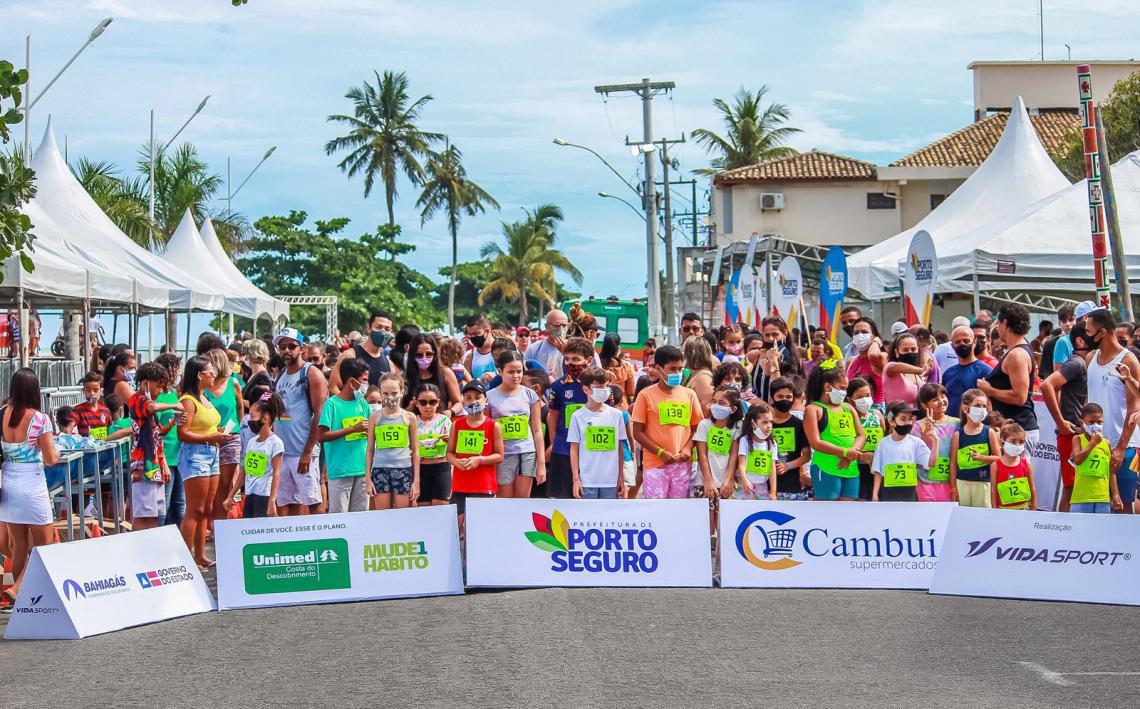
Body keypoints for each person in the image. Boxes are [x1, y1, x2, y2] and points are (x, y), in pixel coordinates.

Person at [0, 368, 60, 606]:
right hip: (32, 483)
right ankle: (18, 589)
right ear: (34, 390)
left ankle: (21, 600)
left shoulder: (2, 413)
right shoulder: (40, 418)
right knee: (44, 544)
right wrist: (56, 450)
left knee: (19, 545)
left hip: (9, 481)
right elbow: (50, 458)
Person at [1084, 309, 1140, 514]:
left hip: (1123, 447)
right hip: (1096, 445)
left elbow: (1134, 406)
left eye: (1089, 331)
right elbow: (1088, 400)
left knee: (1123, 507)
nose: (1085, 336)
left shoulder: (1128, 360)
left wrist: (1121, 448)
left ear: (1104, 332)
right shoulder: (1090, 358)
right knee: (1098, 504)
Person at [630, 345, 703, 499]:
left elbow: (698, 428)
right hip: (655, 465)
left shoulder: (689, 394)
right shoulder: (645, 395)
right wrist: (660, 452)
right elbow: (637, 432)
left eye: (680, 369)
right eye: (672, 369)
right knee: (655, 511)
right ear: (658, 368)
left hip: (683, 464)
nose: (677, 373)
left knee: (678, 512)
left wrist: (688, 448)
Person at [177, 356, 228, 570]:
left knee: (206, 508)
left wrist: (216, 435)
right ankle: (185, 559)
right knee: (195, 510)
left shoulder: (204, 397)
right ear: (199, 375)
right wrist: (211, 437)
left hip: (211, 452)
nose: (214, 375)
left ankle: (199, 555)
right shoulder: (188, 400)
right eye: (210, 372)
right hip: (195, 454)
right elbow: (183, 434)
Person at [273, 328, 329, 516]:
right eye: (282, 347)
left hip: (303, 449)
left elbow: (319, 414)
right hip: (284, 451)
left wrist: (307, 452)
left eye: (291, 346)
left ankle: (319, 539)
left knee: (313, 501)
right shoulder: (280, 375)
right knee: (288, 501)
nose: (287, 350)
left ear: (302, 349)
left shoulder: (311, 373)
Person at [1040, 322, 1090, 511]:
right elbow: (1046, 385)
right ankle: (1063, 534)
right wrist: (1060, 422)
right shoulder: (1076, 362)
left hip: (1081, 433)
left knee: (1078, 487)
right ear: (1080, 340)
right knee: (1071, 487)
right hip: (1072, 433)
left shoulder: (1084, 363)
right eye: (1092, 334)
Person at [128, 363, 183, 531]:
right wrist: (174, 405)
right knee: (144, 514)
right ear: (146, 383)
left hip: (154, 465)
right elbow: (151, 406)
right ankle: (140, 550)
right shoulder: (138, 400)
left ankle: (150, 550)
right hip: (143, 464)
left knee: (154, 515)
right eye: (158, 387)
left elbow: (158, 435)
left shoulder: (149, 407)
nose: (160, 391)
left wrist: (175, 421)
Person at [977, 305, 1038, 454]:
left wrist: (989, 390)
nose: (997, 328)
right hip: (1014, 428)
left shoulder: (1017, 355)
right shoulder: (1017, 350)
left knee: (1016, 476)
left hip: (1018, 429)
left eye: (998, 324)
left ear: (1004, 323)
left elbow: (1020, 396)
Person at [447, 381, 504, 535]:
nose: (473, 401)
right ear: (463, 401)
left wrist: (479, 460)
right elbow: (449, 453)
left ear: (486, 401)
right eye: (469, 397)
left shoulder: (493, 425)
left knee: (478, 530)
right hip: (460, 485)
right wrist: (456, 462)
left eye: (478, 397)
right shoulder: (456, 425)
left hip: (483, 486)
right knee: (455, 528)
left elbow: (500, 455)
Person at [803, 361, 865, 501]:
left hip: (849, 467)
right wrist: (844, 452)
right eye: (841, 388)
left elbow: (861, 435)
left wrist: (851, 453)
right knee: (827, 511)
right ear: (828, 387)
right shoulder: (814, 409)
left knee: (847, 510)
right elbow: (816, 443)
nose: (844, 392)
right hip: (826, 467)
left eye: (846, 388)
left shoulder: (849, 408)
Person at [488, 351, 546, 498]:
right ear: (500, 371)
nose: (516, 376)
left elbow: (537, 430)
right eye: (511, 372)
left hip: (526, 453)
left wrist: (541, 463)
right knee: (505, 503)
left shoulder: (530, 395)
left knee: (522, 503)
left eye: (519, 371)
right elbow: (487, 431)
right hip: (502, 455)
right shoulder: (490, 396)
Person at [317, 358, 372, 514]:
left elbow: (369, 431)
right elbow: (321, 436)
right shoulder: (332, 404)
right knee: (339, 517)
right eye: (364, 380)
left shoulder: (363, 403)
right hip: (340, 471)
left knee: (361, 516)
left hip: (362, 469)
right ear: (351, 381)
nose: (366, 384)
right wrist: (352, 429)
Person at [566, 367, 629, 499]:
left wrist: (621, 477)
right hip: (587, 481)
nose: (604, 390)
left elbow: (620, 447)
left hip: (611, 482)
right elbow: (574, 449)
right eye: (599, 387)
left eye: (606, 386)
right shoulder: (577, 416)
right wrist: (576, 479)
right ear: (586, 389)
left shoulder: (616, 415)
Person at [546, 337, 594, 498]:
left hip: (591, 451)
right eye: (566, 359)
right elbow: (553, 416)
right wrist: (554, 442)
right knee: (561, 498)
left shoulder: (598, 386)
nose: (570, 363)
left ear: (588, 361)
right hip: (563, 450)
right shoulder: (559, 386)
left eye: (575, 359)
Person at [364, 372, 420, 511]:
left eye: (394, 393)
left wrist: (416, 480)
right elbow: (370, 449)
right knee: (383, 516)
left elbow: (415, 450)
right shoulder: (374, 417)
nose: (390, 397)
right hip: (380, 470)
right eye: (386, 393)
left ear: (402, 391)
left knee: (402, 515)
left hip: (403, 469)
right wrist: (368, 477)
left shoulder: (410, 417)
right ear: (381, 393)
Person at [224, 393, 285, 518]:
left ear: (265, 419)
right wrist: (231, 496)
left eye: (252, 416)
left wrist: (272, 501)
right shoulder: (252, 442)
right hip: (250, 494)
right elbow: (244, 470)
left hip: (264, 496)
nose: (249, 420)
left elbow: (277, 473)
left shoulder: (275, 443)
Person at [204, 348, 244, 521]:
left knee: (225, 483)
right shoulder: (203, 385)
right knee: (208, 484)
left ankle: (218, 524)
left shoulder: (233, 382)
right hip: (207, 438)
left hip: (230, 437)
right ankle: (207, 522)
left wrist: (238, 428)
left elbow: (240, 406)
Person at [871, 402, 938, 502]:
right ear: (891, 421)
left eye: (910, 419)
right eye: (903, 419)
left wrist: (936, 441)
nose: (907, 423)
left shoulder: (916, 443)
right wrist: (875, 494)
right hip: (888, 492)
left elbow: (931, 463)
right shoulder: (883, 444)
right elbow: (878, 471)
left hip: (909, 492)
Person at [1067, 402, 1122, 514]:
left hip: (1102, 498)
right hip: (1082, 498)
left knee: (1101, 530)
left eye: (1099, 422)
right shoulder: (1077, 439)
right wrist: (1092, 444)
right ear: (1082, 422)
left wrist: (1116, 495)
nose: (1096, 425)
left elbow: (1110, 471)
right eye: (1091, 422)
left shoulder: (1106, 443)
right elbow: (1077, 460)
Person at [949, 389, 1000, 507]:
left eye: (984, 406)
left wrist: (983, 458)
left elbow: (998, 458)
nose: (981, 410)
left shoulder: (989, 432)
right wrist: (953, 488)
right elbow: (953, 463)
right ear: (966, 408)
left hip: (983, 484)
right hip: (962, 483)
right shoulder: (958, 435)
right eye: (977, 406)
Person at [693, 385, 743, 500]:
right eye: (714, 402)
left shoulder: (738, 427)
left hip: (727, 484)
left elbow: (734, 455)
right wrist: (708, 481)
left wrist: (729, 479)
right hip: (704, 482)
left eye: (722, 403)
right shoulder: (704, 425)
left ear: (733, 409)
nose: (716, 406)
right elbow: (702, 455)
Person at [153, 353, 185, 526]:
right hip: (165, 456)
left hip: (179, 454)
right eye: (176, 369)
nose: (178, 373)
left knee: (180, 503)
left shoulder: (173, 393)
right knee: (163, 503)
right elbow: (157, 431)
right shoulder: (157, 397)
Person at [328, 312, 394, 393]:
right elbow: (333, 387)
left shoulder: (389, 363)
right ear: (369, 328)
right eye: (378, 327)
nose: (383, 332)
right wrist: (350, 405)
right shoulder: (351, 355)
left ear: (391, 332)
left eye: (387, 329)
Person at [770, 377, 811, 500]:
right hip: (766, 485)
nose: (785, 400)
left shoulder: (799, 424)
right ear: (772, 398)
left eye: (788, 397)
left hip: (792, 486)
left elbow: (806, 455)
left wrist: (788, 466)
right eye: (780, 397)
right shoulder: (766, 424)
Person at [404, 332, 463, 417]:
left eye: (429, 354)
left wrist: (451, 412)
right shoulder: (405, 378)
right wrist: (410, 408)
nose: (424, 358)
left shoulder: (445, 373)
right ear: (412, 355)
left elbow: (458, 403)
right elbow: (399, 410)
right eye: (419, 355)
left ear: (435, 354)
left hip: (440, 425)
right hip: (414, 426)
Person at [412, 383, 452, 505]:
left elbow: (454, 448)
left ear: (438, 402)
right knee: (424, 509)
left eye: (432, 402)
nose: (428, 406)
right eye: (423, 402)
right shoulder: (412, 421)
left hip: (441, 467)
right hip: (421, 469)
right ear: (416, 403)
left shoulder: (445, 420)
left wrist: (449, 440)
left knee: (441, 507)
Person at [917, 383, 958, 502]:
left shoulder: (957, 423)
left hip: (949, 481)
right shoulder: (918, 426)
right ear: (924, 405)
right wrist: (927, 428)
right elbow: (920, 452)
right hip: (925, 481)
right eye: (935, 399)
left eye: (943, 396)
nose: (941, 401)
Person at [941, 325, 992, 417]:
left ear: (974, 342)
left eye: (966, 341)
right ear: (952, 346)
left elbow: (990, 404)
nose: (962, 344)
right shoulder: (948, 373)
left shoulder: (985, 371)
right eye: (958, 342)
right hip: (950, 427)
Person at [848, 377, 884, 501]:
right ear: (850, 399)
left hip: (876, 467)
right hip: (857, 466)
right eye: (859, 397)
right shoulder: (849, 418)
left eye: (867, 395)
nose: (864, 400)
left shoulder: (877, 415)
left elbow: (884, 436)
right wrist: (862, 456)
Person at [736, 401, 778, 500]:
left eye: (771, 422)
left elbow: (772, 468)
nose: (769, 426)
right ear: (753, 423)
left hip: (762, 488)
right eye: (765, 422)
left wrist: (773, 491)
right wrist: (745, 481)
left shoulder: (772, 444)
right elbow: (741, 464)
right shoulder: (745, 440)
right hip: (744, 486)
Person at [990, 421, 1037, 510]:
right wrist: (994, 509)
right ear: (1003, 441)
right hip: (1003, 510)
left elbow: (1032, 487)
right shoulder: (995, 465)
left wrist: (1034, 509)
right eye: (1013, 441)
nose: (1017, 445)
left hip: (1024, 509)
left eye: (1021, 442)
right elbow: (993, 489)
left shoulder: (1026, 464)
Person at [881, 332, 931, 407]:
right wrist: (921, 370)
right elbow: (896, 366)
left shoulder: (918, 374)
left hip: (916, 417)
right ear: (896, 352)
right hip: (896, 417)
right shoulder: (890, 368)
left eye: (913, 349)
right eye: (905, 350)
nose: (910, 352)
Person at [846, 317, 885, 407]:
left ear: (874, 335)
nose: (860, 336)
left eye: (864, 332)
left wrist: (876, 341)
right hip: (854, 410)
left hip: (876, 409)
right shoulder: (851, 361)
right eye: (856, 333)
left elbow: (873, 355)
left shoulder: (882, 357)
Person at [527, 309, 570, 380]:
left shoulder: (575, 349)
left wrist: (566, 352)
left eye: (564, 325)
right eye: (556, 325)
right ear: (546, 327)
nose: (561, 329)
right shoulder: (534, 349)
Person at [683, 335, 717, 417]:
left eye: (683, 350)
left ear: (692, 353)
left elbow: (707, 408)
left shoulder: (703, 377)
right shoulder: (691, 374)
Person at [74, 371, 113, 441]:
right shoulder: (78, 410)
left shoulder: (106, 411)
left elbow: (110, 431)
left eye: (95, 390)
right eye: (88, 390)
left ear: (101, 391)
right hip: (87, 449)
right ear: (83, 391)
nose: (92, 394)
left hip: (104, 449)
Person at [600, 334, 634, 404]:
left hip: (602, 406)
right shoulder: (626, 366)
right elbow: (631, 391)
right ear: (618, 347)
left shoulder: (598, 364)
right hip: (621, 406)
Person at [463, 315, 498, 383]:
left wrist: (496, 375)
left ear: (487, 331)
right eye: (470, 335)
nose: (473, 337)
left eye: (476, 333)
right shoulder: (469, 357)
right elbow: (468, 384)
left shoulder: (505, 348)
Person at [241, 339, 273, 405]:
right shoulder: (254, 373)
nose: (244, 356)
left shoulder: (263, 377)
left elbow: (263, 403)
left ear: (252, 354)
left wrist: (239, 399)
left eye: (246, 353)